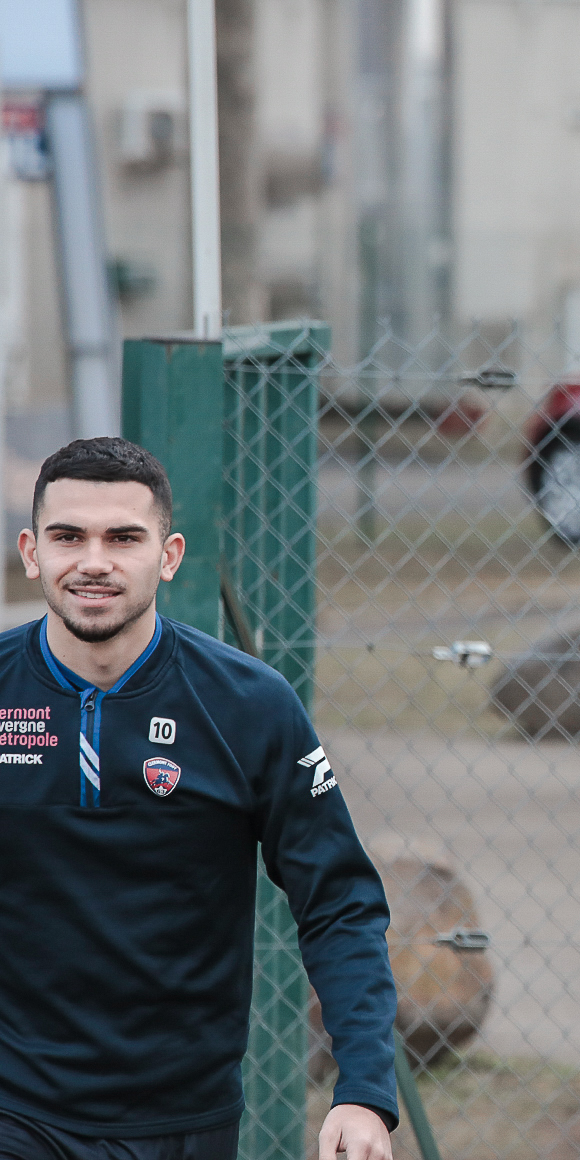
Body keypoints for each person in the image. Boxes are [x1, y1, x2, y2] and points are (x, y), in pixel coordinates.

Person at [0, 438, 398, 1160]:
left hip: (184, 1120)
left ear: (170, 555)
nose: (94, 561)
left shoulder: (250, 706)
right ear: (32, 552)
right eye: (68, 537)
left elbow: (338, 901)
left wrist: (364, 1090)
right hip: (15, 1109)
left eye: (124, 537)